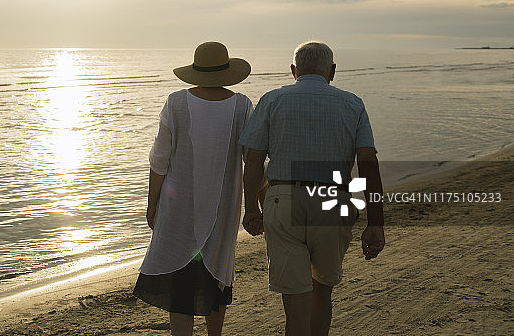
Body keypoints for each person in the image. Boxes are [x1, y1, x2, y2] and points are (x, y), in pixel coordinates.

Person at [240, 41, 385, 336]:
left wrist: (251, 208)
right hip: (333, 201)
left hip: (284, 198)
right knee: (322, 292)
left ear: (293, 71)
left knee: (295, 302)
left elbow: (253, 160)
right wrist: (376, 221)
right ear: (331, 71)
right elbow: (368, 162)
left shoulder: (271, 100)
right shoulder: (353, 103)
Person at [133, 41, 254, 336]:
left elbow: (160, 161)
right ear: (226, 72)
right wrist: (256, 205)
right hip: (223, 208)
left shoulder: (176, 103)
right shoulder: (241, 106)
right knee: (217, 274)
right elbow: (252, 161)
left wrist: (153, 205)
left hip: (179, 209)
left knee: (180, 282)